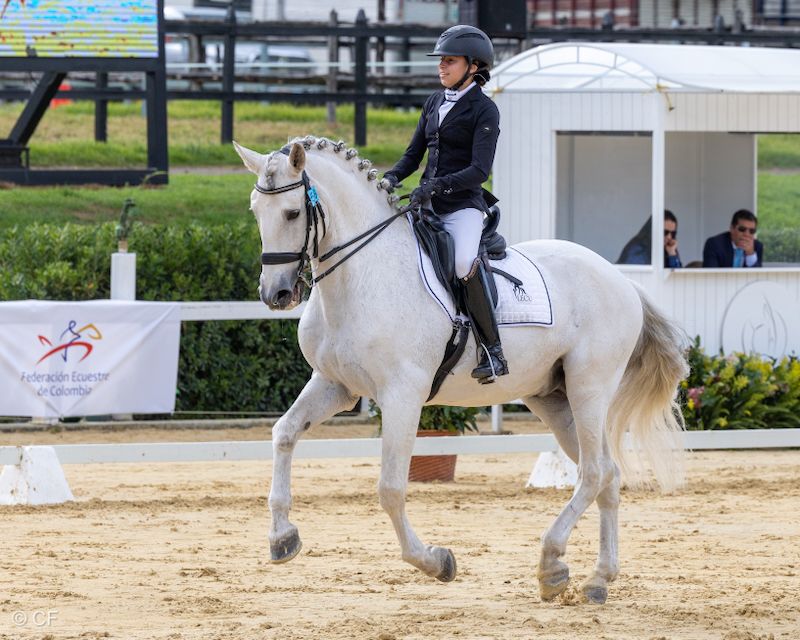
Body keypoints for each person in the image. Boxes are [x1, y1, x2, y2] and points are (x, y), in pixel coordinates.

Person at [381, 25, 507, 384]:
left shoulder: (485, 110)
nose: (441, 67)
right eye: (441, 61)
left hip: (463, 206)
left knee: (465, 262)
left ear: (473, 65)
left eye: (449, 61)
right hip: (427, 204)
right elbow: (412, 155)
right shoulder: (434, 102)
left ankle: (492, 350)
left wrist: (436, 186)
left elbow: (479, 171)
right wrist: (390, 178)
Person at [616, 210, 682, 268]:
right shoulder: (638, 249)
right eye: (665, 232)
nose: (669, 237)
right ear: (653, 230)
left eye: (673, 233)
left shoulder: (667, 249)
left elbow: (677, 279)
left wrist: (672, 254)